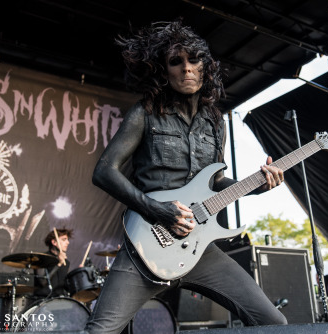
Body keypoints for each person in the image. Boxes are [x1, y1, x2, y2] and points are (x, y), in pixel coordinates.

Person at [85, 20, 287, 333]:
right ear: (163, 71)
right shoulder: (145, 112)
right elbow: (104, 172)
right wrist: (156, 210)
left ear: (207, 67)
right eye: (176, 62)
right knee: (99, 331)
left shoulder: (215, 123)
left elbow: (216, 184)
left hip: (200, 248)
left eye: (194, 60)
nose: (187, 69)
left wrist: (256, 187)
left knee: (273, 322)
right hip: (146, 245)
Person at [34, 228, 73, 298]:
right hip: (44, 300)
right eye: (64, 240)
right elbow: (43, 282)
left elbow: (65, 286)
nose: (68, 242)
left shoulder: (66, 262)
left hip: (60, 300)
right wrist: (59, 264)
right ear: (54, 242)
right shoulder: (42, 258)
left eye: (67, 240)